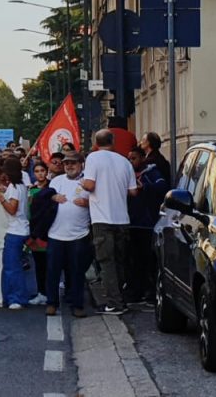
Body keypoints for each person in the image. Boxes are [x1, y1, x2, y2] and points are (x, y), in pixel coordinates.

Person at [81, 129, 139, 315]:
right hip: (122, 218)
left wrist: (82, 183)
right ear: (112, 142)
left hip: (102, 218)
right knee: (120, 260)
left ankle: (115, 303)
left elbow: (90, 185)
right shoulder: (124, 161)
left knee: (106, 262)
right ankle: (120, 296)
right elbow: (133, 192)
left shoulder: (93, 158)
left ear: (96, 143)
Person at [43, 153, 92, 317]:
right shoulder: (57, 181)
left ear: (81, 164)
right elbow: (43, 197)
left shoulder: (87, 182)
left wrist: (88, 203)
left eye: (73, 163)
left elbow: (100, 201)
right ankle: (51, 303)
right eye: (67, 163)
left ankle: (77, 304)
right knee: (52, 271)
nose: (69, 166)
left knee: (77, 272)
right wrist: (52, 196)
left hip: (79, 234)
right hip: (56, 234)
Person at [126, 146, 171, 305]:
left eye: (134, 158)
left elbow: (162, 187)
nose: (131, 162)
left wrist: (144, 187)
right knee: (134, 260)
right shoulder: (127, 174)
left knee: (148, 260)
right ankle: (135, 292)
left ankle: (151, 292)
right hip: (131, 223)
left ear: (142, 158)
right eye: (129, 159)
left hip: (147, 223)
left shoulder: (152, 173)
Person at [0, 159, 30, 310]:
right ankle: (10, 297)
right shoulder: (19, 186)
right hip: (18, 229)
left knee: (12, 267)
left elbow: (12, 209)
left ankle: (16, 298)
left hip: (16, 230)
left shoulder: (15, 187)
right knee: (11, 265)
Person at [26, 161, 52, 303]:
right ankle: (41, 292)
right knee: (39, 263)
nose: (40, 173)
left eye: (42, 170)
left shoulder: (52, 188)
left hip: (48, 231)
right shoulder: (31, 189)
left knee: (49, 264)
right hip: (34, 230)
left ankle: (50, 293)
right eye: (37, 171)